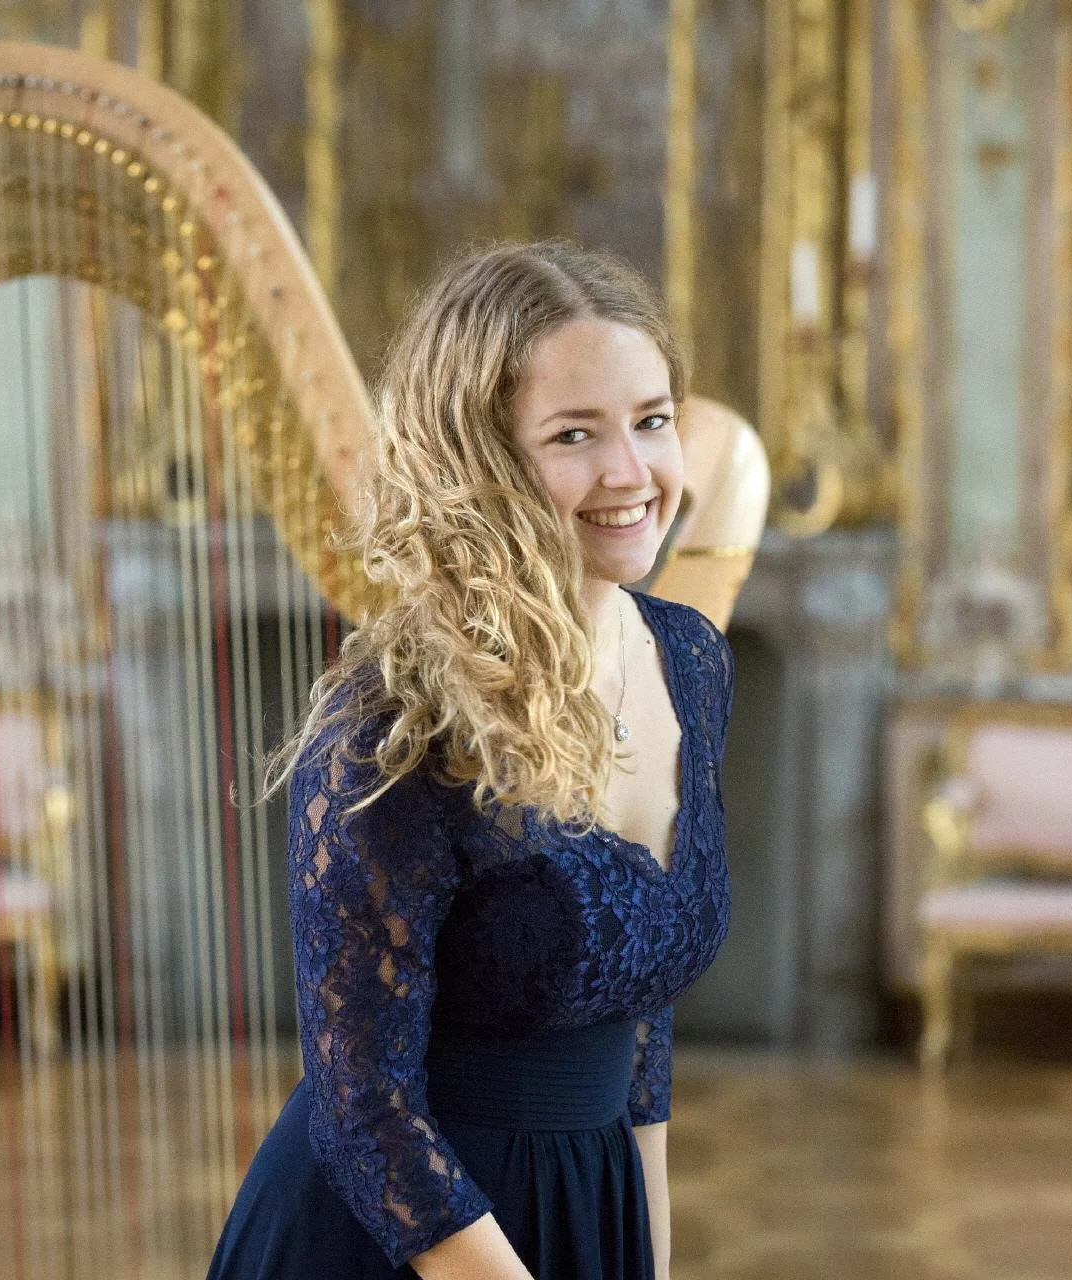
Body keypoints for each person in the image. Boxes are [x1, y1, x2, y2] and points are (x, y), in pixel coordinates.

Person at [208, 240, 733, 1280]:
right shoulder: (391, 721)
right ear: (480, 456)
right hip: (401, 1238)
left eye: (652, 419)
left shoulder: (688, 657)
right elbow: (365, 1110)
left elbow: (641, 1030)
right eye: (573, 434)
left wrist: (650, 1255)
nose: (629, 473)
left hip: (591, 1210)